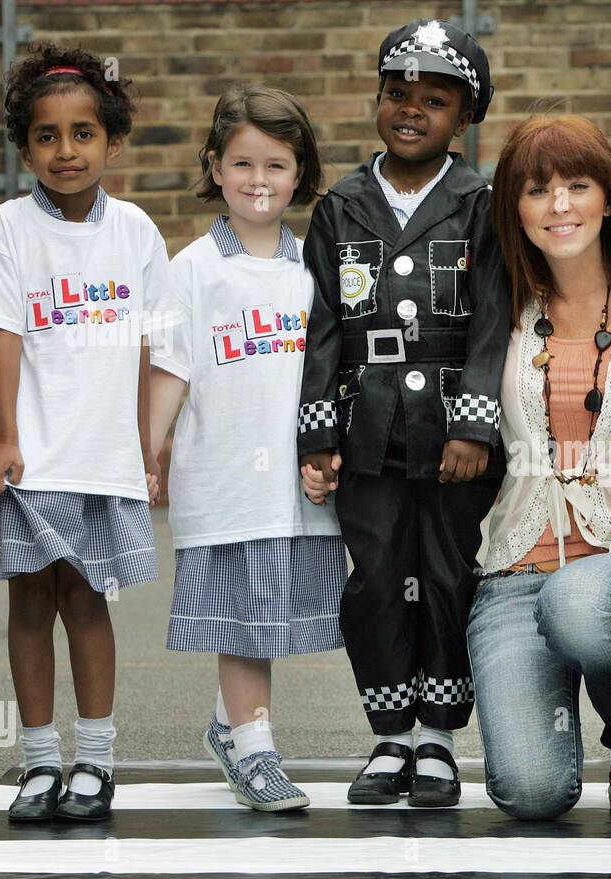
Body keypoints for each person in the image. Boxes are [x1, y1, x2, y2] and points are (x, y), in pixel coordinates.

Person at [0, 44, 172, 822]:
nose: (66, 150)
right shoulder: (12, 227)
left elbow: (151, 340)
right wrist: (4, 439)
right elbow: (4, 334)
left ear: (112, 143)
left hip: (103, 454)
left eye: (84, 134)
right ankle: (41, 761)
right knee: (29, 600)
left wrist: (150, 443)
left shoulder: (137, 231)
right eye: (47, 136)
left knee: (87, 599)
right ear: (24, 148)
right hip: (32, 454)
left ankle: (96, 762)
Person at [296, 19, 510, 807]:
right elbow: (320, 326)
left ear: (466, 116)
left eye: (435, 100)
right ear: (377, 98)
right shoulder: (341, 205)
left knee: (449, 573)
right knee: (379, 578)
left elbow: (495, 317)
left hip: (452, 431)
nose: (411, 110)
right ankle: (390, 734)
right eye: (397, 93)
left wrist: (474, 424)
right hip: (368, 427)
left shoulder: (481, 204)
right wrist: (318, 436)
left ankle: (440, 737)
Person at [470, 114, 611, 818]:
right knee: (531, 794)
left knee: (582, 602)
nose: (559, 205)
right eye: (537, 190)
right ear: (515, 210)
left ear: (609, 197)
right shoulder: (498, 311)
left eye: (577, 185)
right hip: (519, 573)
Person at [148, 84, 343, 812]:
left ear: (301, 174)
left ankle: (233, 729)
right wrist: (147, 454)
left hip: (299, 483)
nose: (259, 180)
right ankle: (254, 750)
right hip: (227, 480)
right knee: (244, 624)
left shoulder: (313, 269)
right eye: (243, 164)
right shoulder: (193, 270)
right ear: (215, 167)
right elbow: (169, 370)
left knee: (275, 617)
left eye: (277, 165)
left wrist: (330, 453)